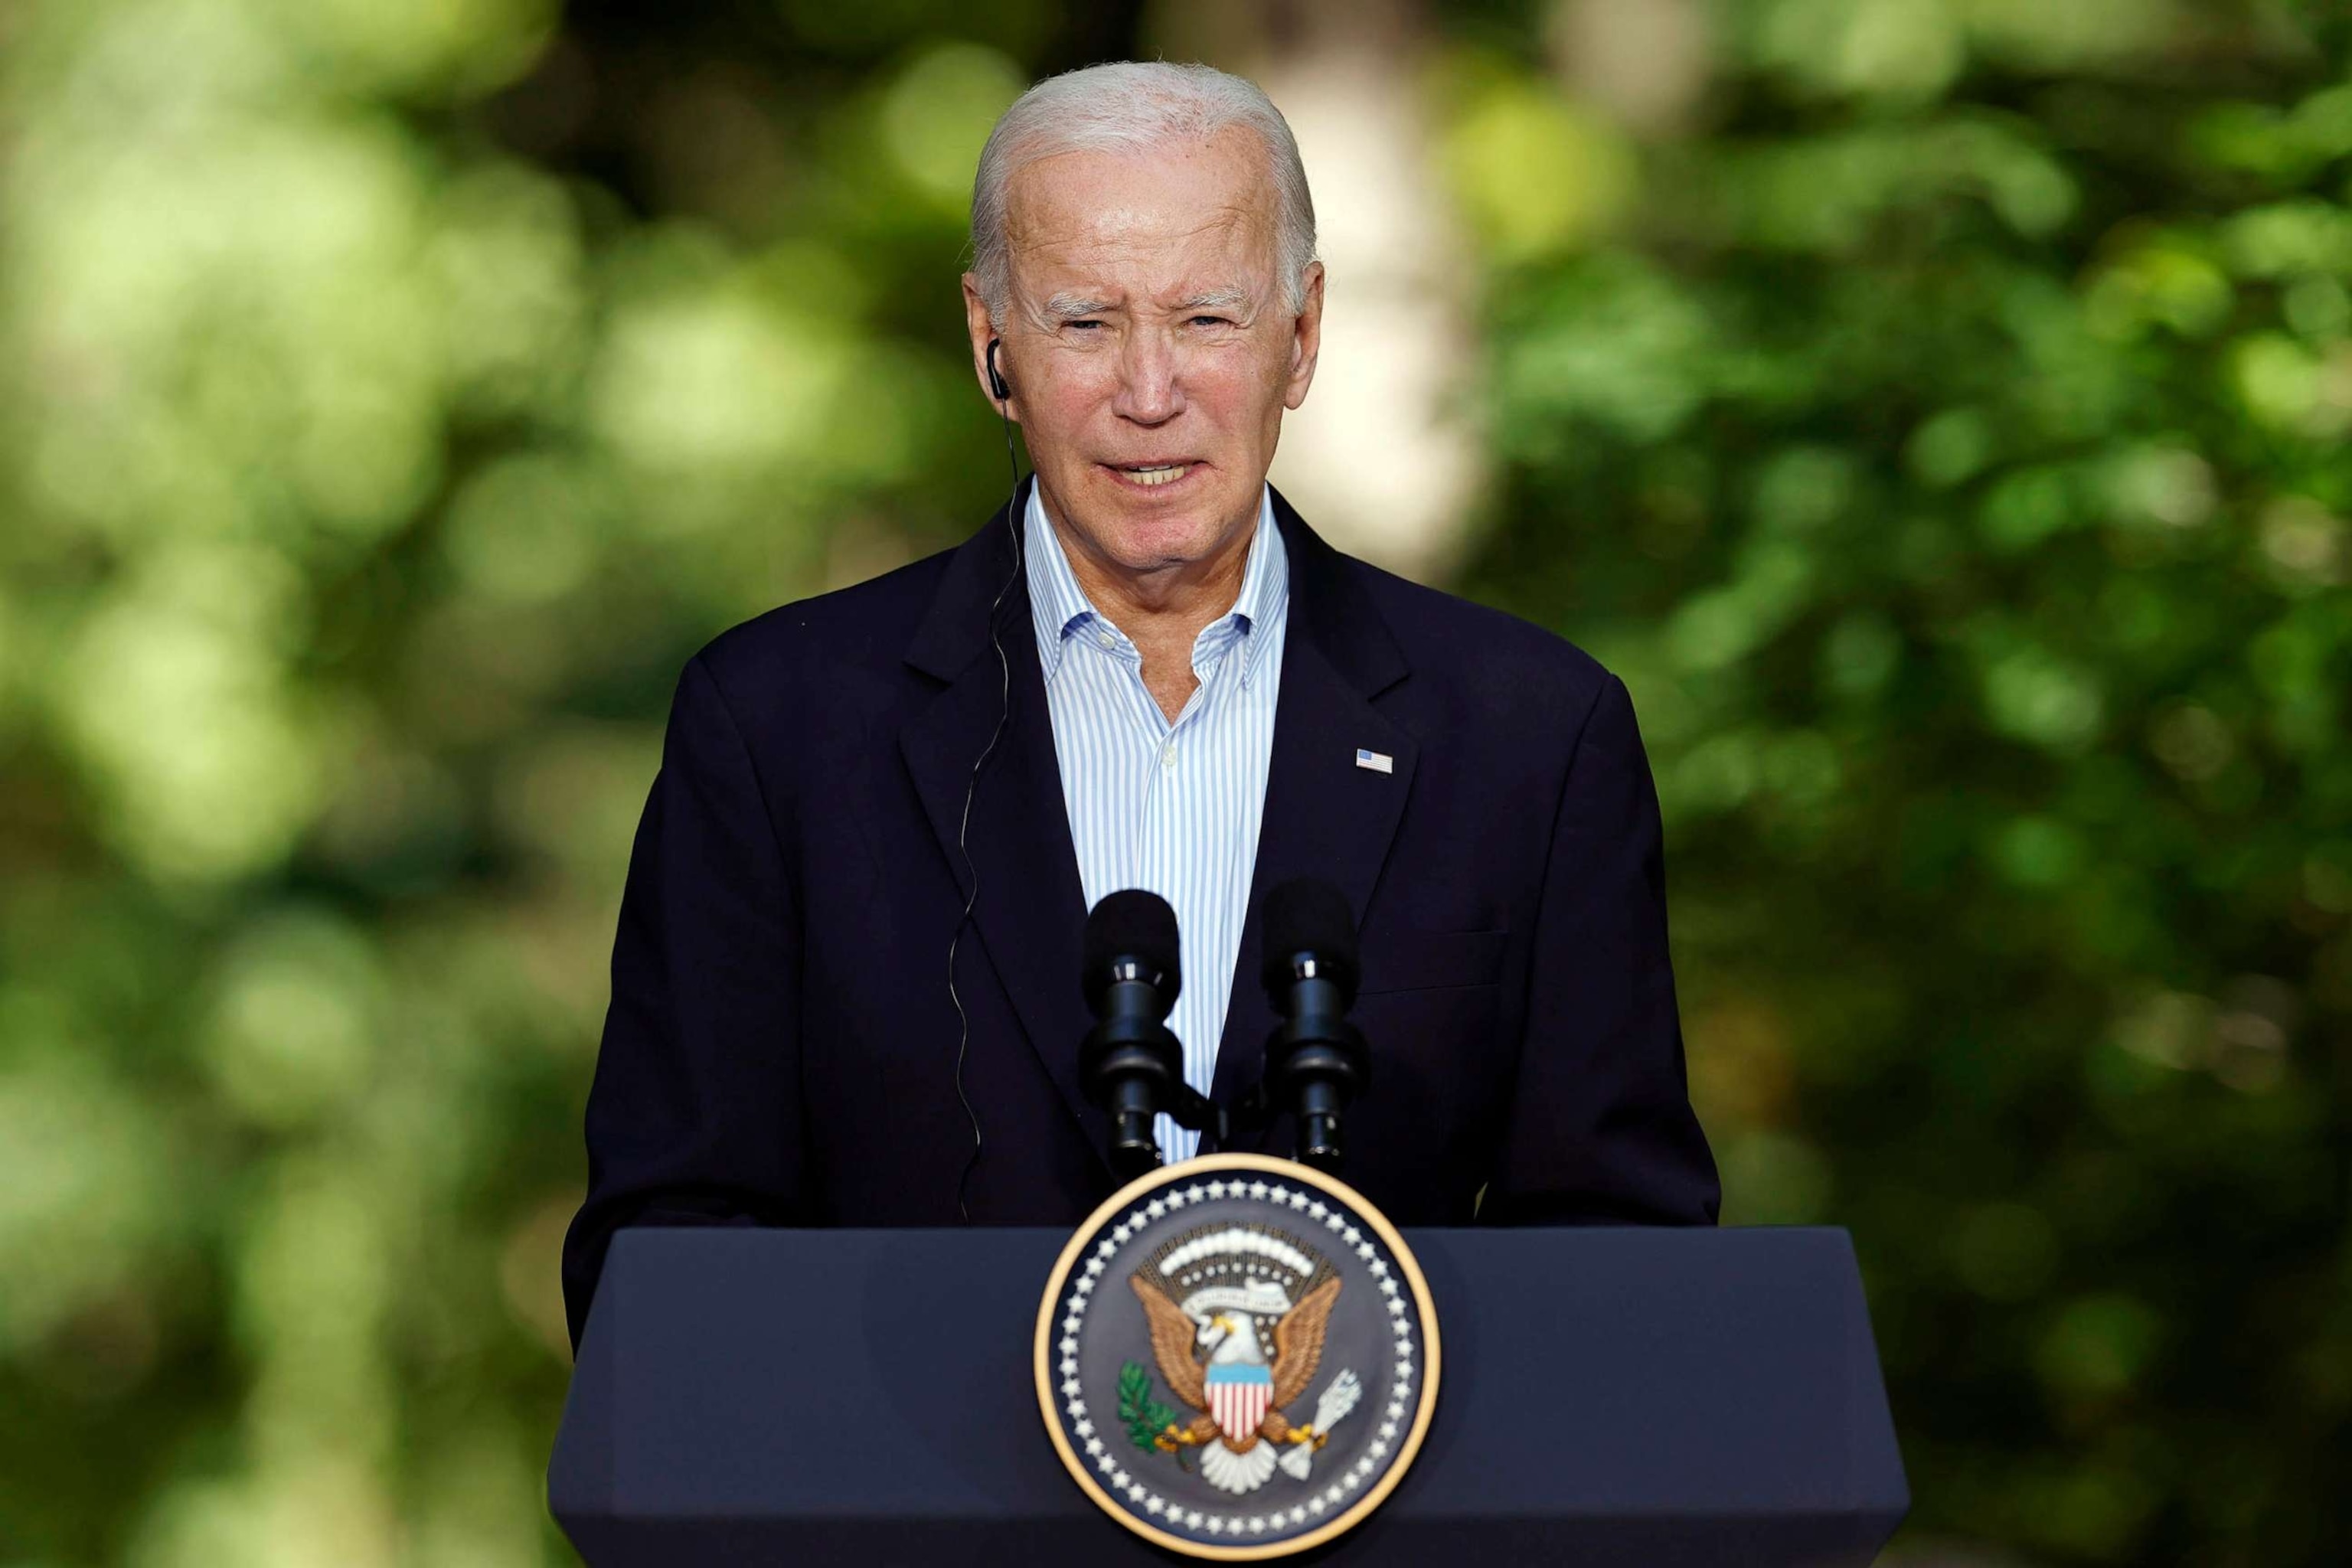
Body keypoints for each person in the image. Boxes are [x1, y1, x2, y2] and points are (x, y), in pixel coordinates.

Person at [561, 60, 1717, 1351]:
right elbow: (664, 1260)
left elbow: (1625, 1270)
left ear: (1305, 333)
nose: (1150, 392)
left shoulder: (1532, 738)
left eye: (1208, 320)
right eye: (1085, 323)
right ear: (990, 338)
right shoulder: (776, 730)